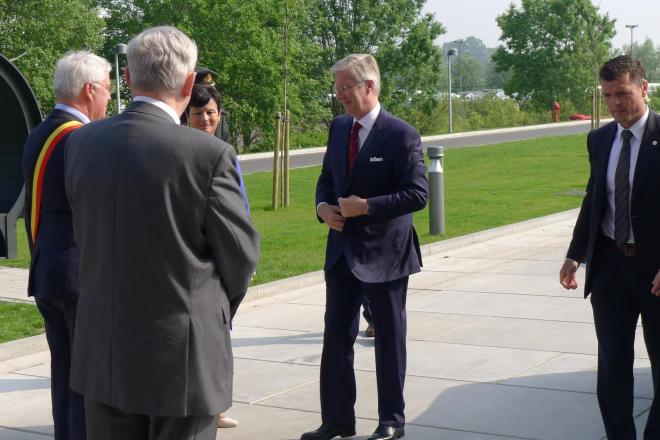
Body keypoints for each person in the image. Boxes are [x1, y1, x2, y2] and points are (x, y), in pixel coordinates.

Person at [64, 26, 259, 440]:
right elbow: (240, 258)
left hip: (104, 353)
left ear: (130, 79)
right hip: (182, 360)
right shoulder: (208, 154)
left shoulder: (81, 144)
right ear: (190, 83)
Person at [303, 54, 428, 440]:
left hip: (386, 256)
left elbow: (418, 194)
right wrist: (322, 208)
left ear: (369, 87)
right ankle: (337, 420)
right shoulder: (340, 128)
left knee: (389, 342)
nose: (339, 95)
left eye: (345, 88)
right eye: (337, 88)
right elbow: (327, 177)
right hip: (342, 251)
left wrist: (369, 207)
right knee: (335, 338)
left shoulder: (401, 134)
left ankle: (392, 420)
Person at [559, 55, 660, 439]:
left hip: (655, 273)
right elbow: (594, 199)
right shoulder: (599, 138)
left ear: (643, 88)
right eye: (607, 96)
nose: (615, 104)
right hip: (610, 271)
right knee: (613, 369)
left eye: (623, 93)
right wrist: (575, 252)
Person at [21, 50, 111, 440]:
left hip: (48, 271)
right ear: (89, 90)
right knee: (86, 384)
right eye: (107, 89)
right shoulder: (81, 138)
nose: (109, 98)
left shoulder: (41, 131)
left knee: (65, 377)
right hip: (79, 276)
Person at [185, 83, 242, 430]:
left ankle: (218, 403)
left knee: (222, 336)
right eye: (198, 113)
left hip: (228, 254)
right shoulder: (189, 151)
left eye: (211, 113)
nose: (205, 119)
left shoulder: (225, 150)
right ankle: (212, 407)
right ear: (186, 116)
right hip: (205, 259)